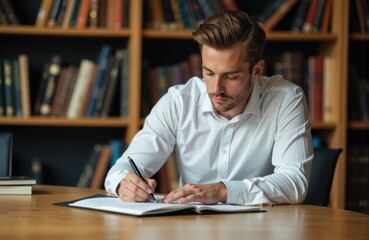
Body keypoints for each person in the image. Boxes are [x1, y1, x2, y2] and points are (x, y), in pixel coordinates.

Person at [105, 10, 313, 206]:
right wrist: (125, 184)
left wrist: (223, 191)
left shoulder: (286, 99)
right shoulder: (179, 101)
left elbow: (295, 182)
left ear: (256, 70)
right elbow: (121, 169)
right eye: (209, 72)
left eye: (230, 76)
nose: (216, 89)